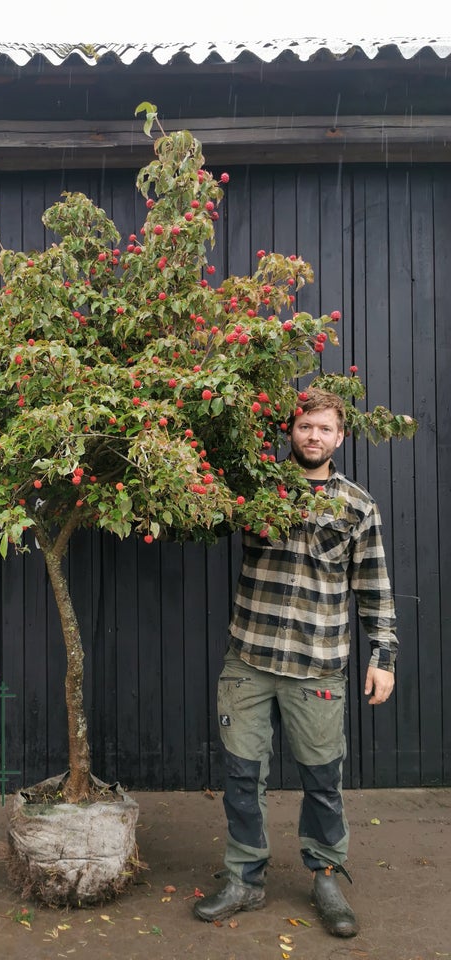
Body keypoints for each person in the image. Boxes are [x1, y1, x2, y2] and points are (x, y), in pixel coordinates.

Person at [194, 387, 397, 938]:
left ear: (340, 436)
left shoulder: (358, 506)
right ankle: (244, 878)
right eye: (305, 425)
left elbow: (375, 591)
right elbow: (204, 522)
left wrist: (383, 657)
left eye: (324, 428)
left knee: (322, 780)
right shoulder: (258, 490)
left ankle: (327, 876)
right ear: (291, 430)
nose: (314, 436)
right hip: (250, 661)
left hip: (318, 669)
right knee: (242, 776)